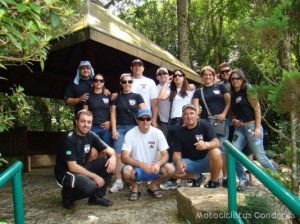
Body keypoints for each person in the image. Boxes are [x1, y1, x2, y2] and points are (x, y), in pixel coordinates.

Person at [54, 109, 117, 209]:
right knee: (90, 186)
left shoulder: (91, 135)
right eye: (83, 121)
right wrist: (95, 176)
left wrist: (113, 157)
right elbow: (72, 167)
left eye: (89, 122)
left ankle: (96, 197)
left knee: (107, 163)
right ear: (76, 122)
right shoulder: (68, 138)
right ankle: (68, 196)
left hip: (81, 167)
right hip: (66, 173)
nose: (86, 125)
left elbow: (110, 150)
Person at [229, 69, 277, 191]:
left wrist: (257, 127)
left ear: (242, 79)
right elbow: (234, 114)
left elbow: (257, 108)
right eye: (233, 79)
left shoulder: (248, 90)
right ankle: (242, 179)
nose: (235, 81)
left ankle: (276, 180)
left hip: (251, 127)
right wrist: (235, 121)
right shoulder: (232, 94)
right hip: (240, 128)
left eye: (237, 78)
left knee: (260, 156)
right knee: (233, 153)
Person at [121, 109, 175, 201]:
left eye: (148, 118)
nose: (145, 121)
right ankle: (135, 187)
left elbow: (165, 154)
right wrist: (141, 165)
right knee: (126, 171)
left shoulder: (158, 133)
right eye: (142, 119)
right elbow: (124, 157)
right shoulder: (130, 134)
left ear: (151, 120)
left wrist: (158, 164)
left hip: (153, 167)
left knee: (171, 169)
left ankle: (153, 185)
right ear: (137, 121)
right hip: (136, 168)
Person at [192, 66, 230, 187]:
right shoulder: (199, 91)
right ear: (202, 77)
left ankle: (226, 177)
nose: (208, 77)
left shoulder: (221, 87)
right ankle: (214, 178)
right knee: (212, 149)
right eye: (205, 75)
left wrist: (224, 114)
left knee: (224, 149)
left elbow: (229, 101)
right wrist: (195, 121)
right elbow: (196, 108)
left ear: (214, 76)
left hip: (222, 121)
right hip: (207, 122)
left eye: (210, 74)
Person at [158, 69, 194, 190]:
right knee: (172, 150)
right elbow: (161, 96)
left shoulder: (190, 91)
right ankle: (173, 180)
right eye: (176, 75)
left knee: (185, 149)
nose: (177, 77)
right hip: (173, 122)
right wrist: (167, 82)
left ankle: (185, 178)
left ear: (184, 77)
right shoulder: (171, 91)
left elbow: (195, 108)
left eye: (180, 75)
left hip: (185, 120)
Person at [110, 73, 145, 193]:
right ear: (121, 83)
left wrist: (144, 128)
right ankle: (118, 180)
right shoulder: (116, 97)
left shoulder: (137, 96)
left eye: (129, 82)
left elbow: (144, 112)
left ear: (132, 82)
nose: (127, 84)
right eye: (124, 82)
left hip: (134, 128)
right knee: (118, 154)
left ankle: (132, 178)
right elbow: (113, 114)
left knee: (133, 154)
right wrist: (114, 129)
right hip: (119, 128)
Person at [172, 104, 223, 188]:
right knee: (169, 170)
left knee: (216, 151)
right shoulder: (179, 131)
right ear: (182, 117)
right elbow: (176, 154)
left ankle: (213, 181)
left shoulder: (204, 124)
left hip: (206, 162)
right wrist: (178, 162)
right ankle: (196, 177)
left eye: (191, 113)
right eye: (186, 114)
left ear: (196, 115)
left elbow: (217, 142)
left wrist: (206, 144)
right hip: (189, 163)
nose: (189, 116)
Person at [83, 73, 112, 146]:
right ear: (93, 82)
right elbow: (85, 113)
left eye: (101, 80)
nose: (98, 82)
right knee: (93, 152)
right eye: (96, 80)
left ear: (103, 83)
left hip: (106, 128)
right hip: (93, 127)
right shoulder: (88, 96)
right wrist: (87, 126)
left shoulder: (108, 95)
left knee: (106, 152)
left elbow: (114, 111)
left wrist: (110, 122)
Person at [130, 59, 159, 128]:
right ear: (131, 68)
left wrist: (154, 120)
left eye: (139, 65)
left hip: (145, 118)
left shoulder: (150, 82)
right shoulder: (126, 81)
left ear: (143, 68)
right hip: (129, 119)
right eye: (135, 66)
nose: (137, 67)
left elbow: (154, 103)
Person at [156, 67, 171, 138]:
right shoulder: (154, 88)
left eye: (164, 73)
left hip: (177, 120)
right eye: (160, 74)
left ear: (168, 75)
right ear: (157, 77)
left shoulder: (174, 86)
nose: (162, 75)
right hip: (162, 121)